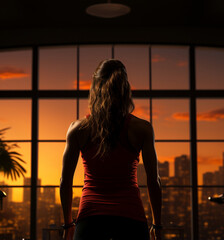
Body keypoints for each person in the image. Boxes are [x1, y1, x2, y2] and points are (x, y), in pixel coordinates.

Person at [60, 59, 162, 240]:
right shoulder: (142, 128)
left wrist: (68, 224)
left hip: (90, 218)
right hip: (131, 217)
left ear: (95, 88)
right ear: (125, 89)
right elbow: (154, 181)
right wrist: (157, 224)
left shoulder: (77, 129)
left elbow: (65, 181)